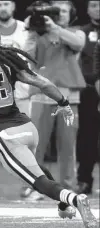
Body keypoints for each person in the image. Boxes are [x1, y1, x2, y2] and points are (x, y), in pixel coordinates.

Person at [0, 18, 98, 228]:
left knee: (37, 182)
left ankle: (74, 200)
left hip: (4, 136)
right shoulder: (9, 58)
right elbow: (43, 83)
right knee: (36, 169)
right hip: (26, 127)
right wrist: (63, 102)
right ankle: (64, 205)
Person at [22, 1, 86, 199]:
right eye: (56, 12)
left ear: (71, 14)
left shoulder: (77, 33)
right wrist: (31, 31)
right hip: (42, 95)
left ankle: (68, 186)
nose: (60, 15)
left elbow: (78, 45)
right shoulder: (38, 34)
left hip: (68, 96)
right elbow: (27, 58)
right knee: (37, 145)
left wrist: (54, 27)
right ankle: (34, 186)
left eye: (63, 11)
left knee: (67, 146)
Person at [0, 0, 32, 198]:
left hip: (21, 90)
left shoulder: (25, 28)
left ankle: (27, 184)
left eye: (6, 3)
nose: (2, 8)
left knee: (24, 139)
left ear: (13, 6)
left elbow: (33, 56)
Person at [76, 0, 100, 195]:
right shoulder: (81, 33)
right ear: (87, 9)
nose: (98, 8)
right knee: (87, 138)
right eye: (93, 5)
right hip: (89, 91)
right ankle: (84, 180)